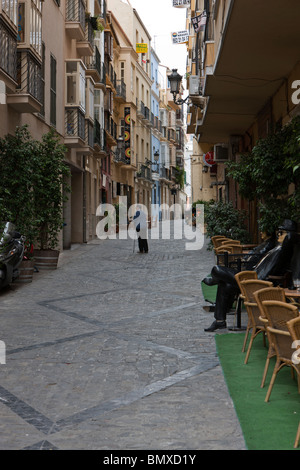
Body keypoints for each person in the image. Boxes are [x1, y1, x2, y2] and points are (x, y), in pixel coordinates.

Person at [203, 220, 300, 332]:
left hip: (256, 283)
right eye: (278, 232)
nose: (279, 234)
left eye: (282, 232)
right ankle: (220, 321)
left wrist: (290, 233)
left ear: (289, 234)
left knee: (217, 270)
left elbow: (292, 238)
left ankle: (214, 280)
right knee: (225, 285)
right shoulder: (276, 247)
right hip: (251, 278)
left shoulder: (284, 250)